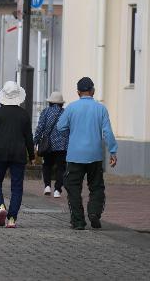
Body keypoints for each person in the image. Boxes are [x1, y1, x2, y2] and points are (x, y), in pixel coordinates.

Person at [57, 77, 118, 230]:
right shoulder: (101, 108)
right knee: (97, 187)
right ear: (93, 90)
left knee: (73, 187)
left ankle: (78, 221)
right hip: (95, 155)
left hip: (75, 155)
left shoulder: (71, 108)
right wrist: (113, 151)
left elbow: (60, 127)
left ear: (78, 92)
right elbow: (107, 132)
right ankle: (94, 213)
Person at [0, 81, 35, 228]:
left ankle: (0, 207)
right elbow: (28, 137)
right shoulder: (24, 114)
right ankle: (12, 219)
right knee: (17, 187)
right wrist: (32, 156)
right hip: (18, 154)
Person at [33, 91, 69, 198]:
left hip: (48, 145)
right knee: (60, 167)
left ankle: (47, 186)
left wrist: (35, 141)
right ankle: (57, 190)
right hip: (62, 145)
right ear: (61, 103)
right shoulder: (65, 112)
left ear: (50, 102)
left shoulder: (45, 112)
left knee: (47, 165)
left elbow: (40, 128)